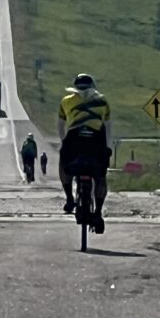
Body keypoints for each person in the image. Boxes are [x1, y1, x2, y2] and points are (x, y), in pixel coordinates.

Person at [57, 74, 111, 233]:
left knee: (64, 166)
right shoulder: (103, 101)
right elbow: (108, 126)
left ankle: (69, 198)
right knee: (100, 177)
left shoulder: (66, 101)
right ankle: (98, 211)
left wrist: (63, 142)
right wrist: (108, 147)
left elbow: (60, 126)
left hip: (74, 141)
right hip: (96, 141)